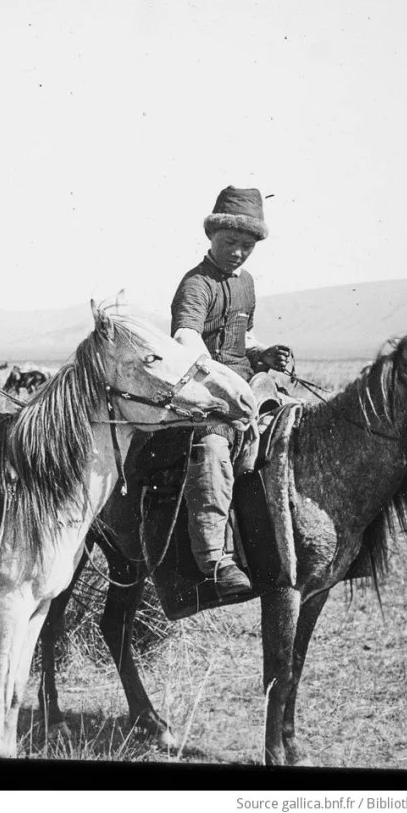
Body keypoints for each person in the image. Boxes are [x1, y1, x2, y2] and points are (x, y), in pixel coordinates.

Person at [170, 186, 294, 597]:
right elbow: (188, 338)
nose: (238, 252)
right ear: (212, 238)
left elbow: (246, 335)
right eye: (230, 243)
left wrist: (265, 355)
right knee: (213, 450)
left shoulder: (246, 284)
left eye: (246, 245)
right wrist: (225, 383)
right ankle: (215, 558)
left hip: (245, 383)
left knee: (291, 427)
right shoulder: (196, 284)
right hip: (205, 389)